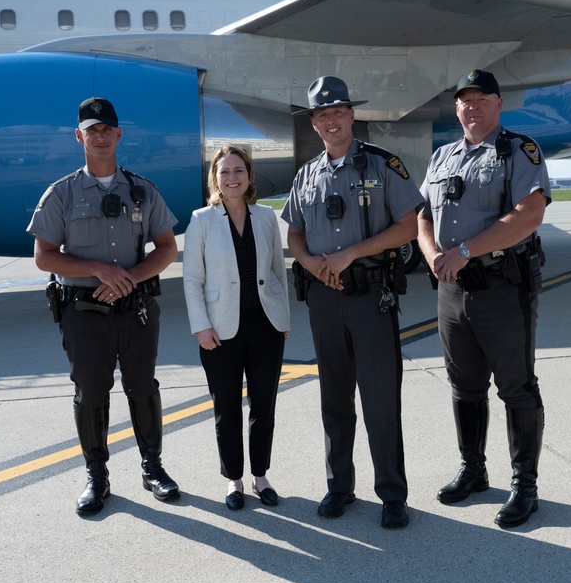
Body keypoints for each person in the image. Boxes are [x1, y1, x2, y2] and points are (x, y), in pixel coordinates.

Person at [27, 96, 181, 516]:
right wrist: (98, 269)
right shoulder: (61, 193)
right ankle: (97, 476)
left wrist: (127, 278)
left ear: (118, 134)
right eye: (91, 130)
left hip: (136, 310)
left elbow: (166, 247)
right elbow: (44, 256)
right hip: (83, 313)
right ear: (79, 136)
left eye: (106, 129)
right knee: (91, 392)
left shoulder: (141, 190)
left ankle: (152, 468)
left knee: (142, 388)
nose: (99, 136)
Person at [282, 76, 424, 529]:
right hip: (324, 299)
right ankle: (339, 486)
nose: (330, 120)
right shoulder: (307, 173)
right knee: (334, 399)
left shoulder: (384, 165)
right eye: (321, 114)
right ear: (314, 121)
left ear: (351, 115)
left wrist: (350, 254)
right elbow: (295, 233)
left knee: (381, 399)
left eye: (338, 112)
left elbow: (409, 225)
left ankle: (393, 495)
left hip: (370, 296)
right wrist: (309, 263)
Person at [417, 69, 551, 528]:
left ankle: (524, 487)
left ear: (498, 104)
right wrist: (434, 254)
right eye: (464, 101)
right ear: (455, 108)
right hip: (451, 290)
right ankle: (474, 472)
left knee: (516, 387)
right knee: (464, 386)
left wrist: (466, 251)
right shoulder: (442, 157)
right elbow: (422, 217)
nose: (471, 107)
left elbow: (528, 214)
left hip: (501, 288)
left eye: (481, 99)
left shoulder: (517, 150)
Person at [182, 145, 291, 511]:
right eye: (224, 171)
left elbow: (278, 271)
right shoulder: (201, 220)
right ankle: (234, 479)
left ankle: (261, 476)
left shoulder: (264, 218)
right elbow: (192, 279)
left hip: (265, 324)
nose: (232, 177)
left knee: (264, 405)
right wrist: (200, 325)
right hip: (219, 330)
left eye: (238, 170)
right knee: (226, 408)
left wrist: (284, 320)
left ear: (249, 176)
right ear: (215, 177)